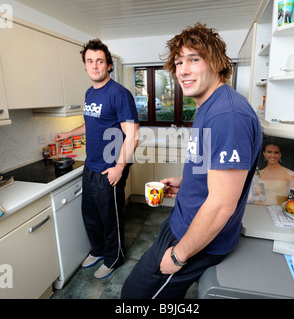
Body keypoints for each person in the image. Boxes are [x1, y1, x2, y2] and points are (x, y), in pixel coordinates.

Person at [121, 23, 262, 299]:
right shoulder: (209, 106)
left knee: (134, 298)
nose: (182, 70)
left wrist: (178, 255)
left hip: (195, 241)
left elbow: (221, 205)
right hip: (181, 223)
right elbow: (213, 175)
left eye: (193, 59)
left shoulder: (227, 116)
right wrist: (186, 184)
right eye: (178, 62)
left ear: (217, 63)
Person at [56, 39, 139, 279]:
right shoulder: (90, 93)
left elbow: (133, 136)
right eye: (90, 61)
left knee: (110, 217)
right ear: (85, 66)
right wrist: (69, 134)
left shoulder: (119, 94)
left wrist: (119, 168)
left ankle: (114, 257)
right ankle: (100, 250)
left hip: (110, 167)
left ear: (109, 66)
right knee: (91, 215)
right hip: (91, 165)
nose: (94, 65)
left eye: (99, 61)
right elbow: (92, 123)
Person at [257, 141, 294, 206]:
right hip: (262, 209)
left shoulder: (290, 174)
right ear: (264, 153)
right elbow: (256, 198)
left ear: (280, 154)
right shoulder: (259, 174)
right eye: (269, 152)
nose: (272, 155)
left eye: (276, 152)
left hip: (281, 211)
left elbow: (293, 200)